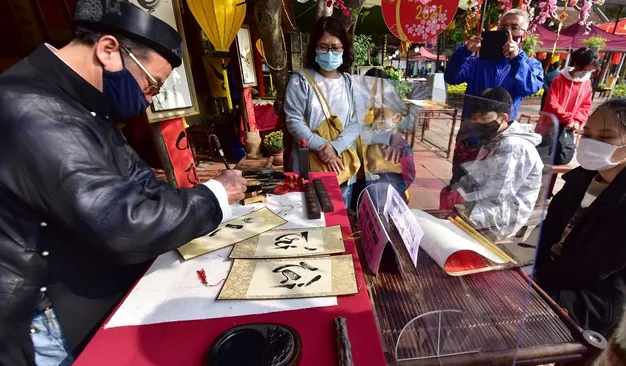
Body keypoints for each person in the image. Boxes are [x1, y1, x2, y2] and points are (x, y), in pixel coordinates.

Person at [0, 1, 247, 365]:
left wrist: (201, 200)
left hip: (86, 288)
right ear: (109, 50)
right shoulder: (31, 108)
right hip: (51, 313)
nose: (151, 98)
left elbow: (142, 184)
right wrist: (213, 196)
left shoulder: (83, 104)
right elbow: (120, 222)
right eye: (152, 84)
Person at [535, 98, 626, 339]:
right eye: (587, 133)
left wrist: (536, 281)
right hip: (557, 272)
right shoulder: (584, 175)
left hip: (598, 296)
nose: (591, 144)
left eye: (606, 138)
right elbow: (551, 225)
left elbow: (592, 268)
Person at [445, 8, 544, 184]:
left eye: (514, 28)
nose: (508, 32)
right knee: (458, 186)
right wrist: (464, 51)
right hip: (471, 135)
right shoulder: (477, 62)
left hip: (501, 140)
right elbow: (452, 77)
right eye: (503, 28)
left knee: (489, 190)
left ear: (524, 34)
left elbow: (530, 87)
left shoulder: (529, 64)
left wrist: (517, 59)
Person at [440, 88, 543, 237]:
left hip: (507, 211)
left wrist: (464, 198)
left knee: (457, 213)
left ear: (503, 117)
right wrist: (459, 188)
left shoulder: (514, 146)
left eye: (483, 118)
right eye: (475, 118)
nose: (476, 123)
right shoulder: (495, 137)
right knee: (450, 196)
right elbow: (481, 173)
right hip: (493, 200)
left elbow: (498, 193)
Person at [284, 16, 361, 207]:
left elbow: (356, 122)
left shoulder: (350, 83)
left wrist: (335, 147)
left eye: (336, 47)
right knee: (308, 218)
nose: (330, 52)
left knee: (339, 222)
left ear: (344, 49)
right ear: (314, 47)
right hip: (307, 164)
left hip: (341, 166)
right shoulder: (300, 81)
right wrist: (322, 147)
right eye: (323, 46)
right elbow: (294, 121)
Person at [351, 67, 415, 201]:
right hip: (361, 182)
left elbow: (406, 176)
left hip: (385, 190)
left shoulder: (398, 145)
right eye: (370, 90)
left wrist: (394, 134)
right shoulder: (356, 105)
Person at [538, 47, 598, 165]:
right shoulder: (559, 79)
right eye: (584, 70)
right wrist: (568, 118)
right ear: (576, 64)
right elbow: (551, 102)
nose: (585, 73)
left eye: (589, 71)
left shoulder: (586, 82)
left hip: (568, 127)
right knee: (543, 159)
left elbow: (585, 105)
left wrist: (577, 120)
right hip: (551, 124)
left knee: (561, 157)